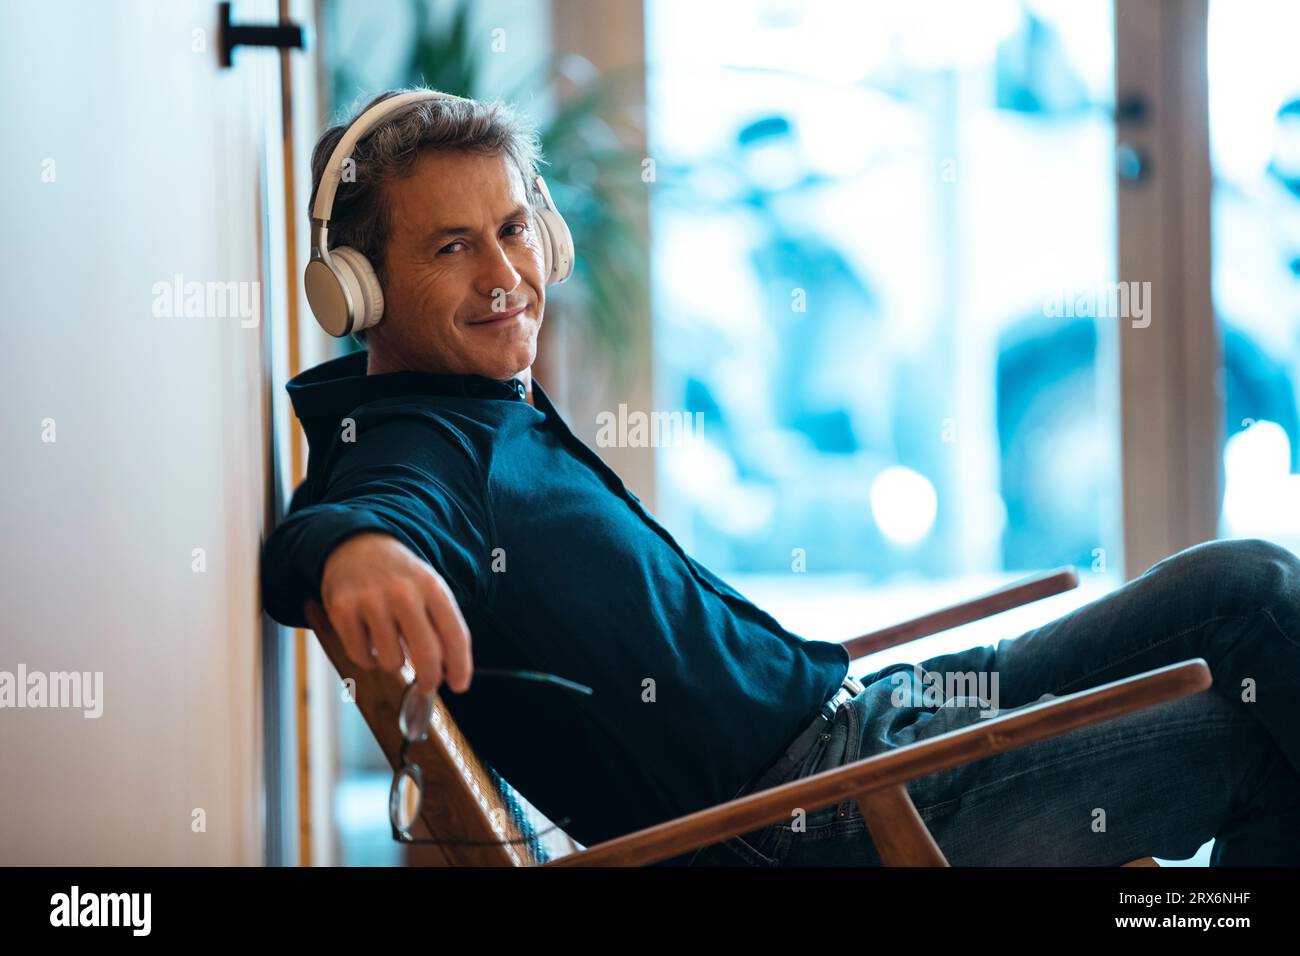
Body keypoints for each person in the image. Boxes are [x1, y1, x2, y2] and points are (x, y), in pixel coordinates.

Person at [262, 88, 1300, 866]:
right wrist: (354, 547)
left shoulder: (472, 404)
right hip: (831, 812)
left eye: (512, 227)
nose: (504, 274)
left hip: (874, 719)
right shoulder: (420, 449)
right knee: (1254, 742)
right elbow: (358, 511)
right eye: (452, 246)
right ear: (354, 289)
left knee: (1250, 580)